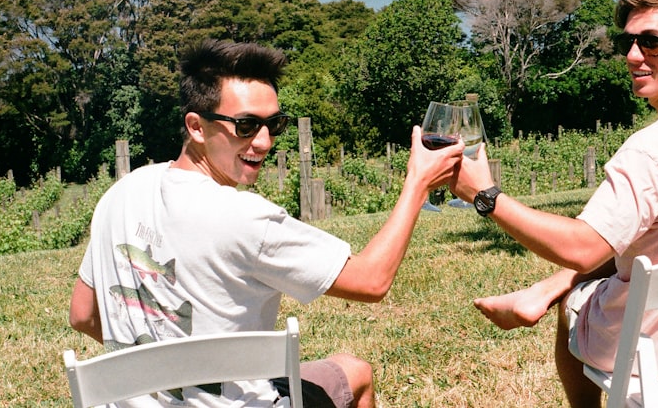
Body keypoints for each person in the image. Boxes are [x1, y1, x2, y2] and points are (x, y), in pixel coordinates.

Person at [69, 39, 464, 408]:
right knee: (355, 372)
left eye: (273, 125)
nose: (263, 142)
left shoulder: (122, 193)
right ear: (195, 126)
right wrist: (418, 184)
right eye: (245, 126)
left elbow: (83, 315)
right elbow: (372, 281)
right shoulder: (244, 218)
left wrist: (165, 372)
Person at [450, 0, 658, 408]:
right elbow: (633, 244)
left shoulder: (655, 147)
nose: (634, 56)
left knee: (573, 305)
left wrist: (485, 196)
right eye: (629, 42)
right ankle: (543, 290)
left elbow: (582, 248)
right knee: (607, 262)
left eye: (651, 43)